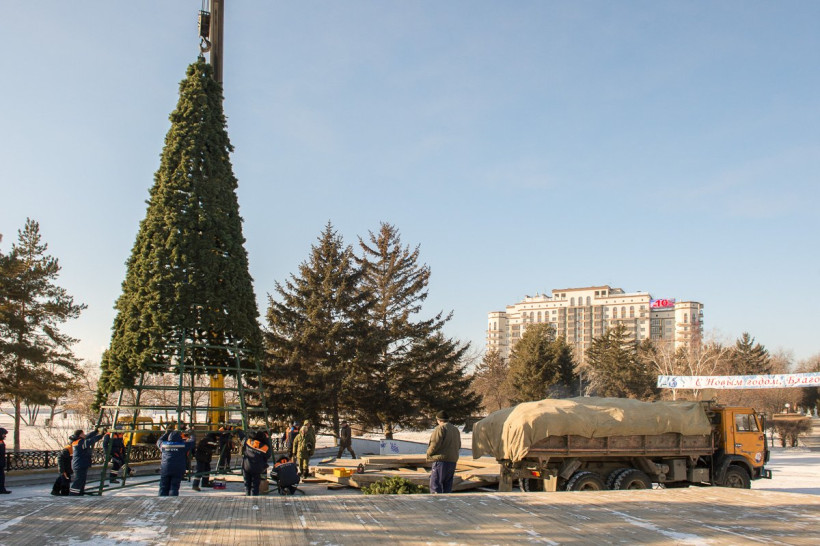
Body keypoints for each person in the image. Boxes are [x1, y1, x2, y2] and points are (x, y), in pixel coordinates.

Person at [426, 410, 461, 494]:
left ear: (438, 420)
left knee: (436, 486)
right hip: (452, 460)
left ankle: (436, 502)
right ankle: (447, 501)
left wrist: (428, 454)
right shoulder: (455, 429)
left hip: (441, 461)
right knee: (447, 486)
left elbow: (435, 443)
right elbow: (459, 445)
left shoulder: (440, 428)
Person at [157, 428, 195, 496]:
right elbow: (192, 442)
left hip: (165, 468)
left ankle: (161, 499)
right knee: (174, 487)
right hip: (178, 469)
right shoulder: (182, 445)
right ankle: (173, 499)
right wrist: (192, 434)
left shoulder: (164, 445)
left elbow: (159, 441)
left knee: (163, 486)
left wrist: (166, 434)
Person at [70, 428, 104, 495]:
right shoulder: (79, 443)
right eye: (83, 433)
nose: (84, 434)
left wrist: (95, 432)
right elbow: (91, 441)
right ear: (80, 435)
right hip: (79, 464)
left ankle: (80, 493)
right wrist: (101, 435)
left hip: (81, 464)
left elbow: (88, 436)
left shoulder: (78, 441)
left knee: (82, 480)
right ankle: (73, 494)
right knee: (78, 480)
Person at [241, 430, 271, 496]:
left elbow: (243, 438)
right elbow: (268, 455)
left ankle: (247, 496)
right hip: (256, 468)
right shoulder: (264, 447)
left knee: (247, 485)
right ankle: (254, 498)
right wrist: (267, 440)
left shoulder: (248, 442)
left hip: (246, 466)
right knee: (255, 486)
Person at [0, 427, 9, 494]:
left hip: (1, 462)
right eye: (4, 434)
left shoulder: (1, 441)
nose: (4, 436)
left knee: (1, 477)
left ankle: (2, 489)